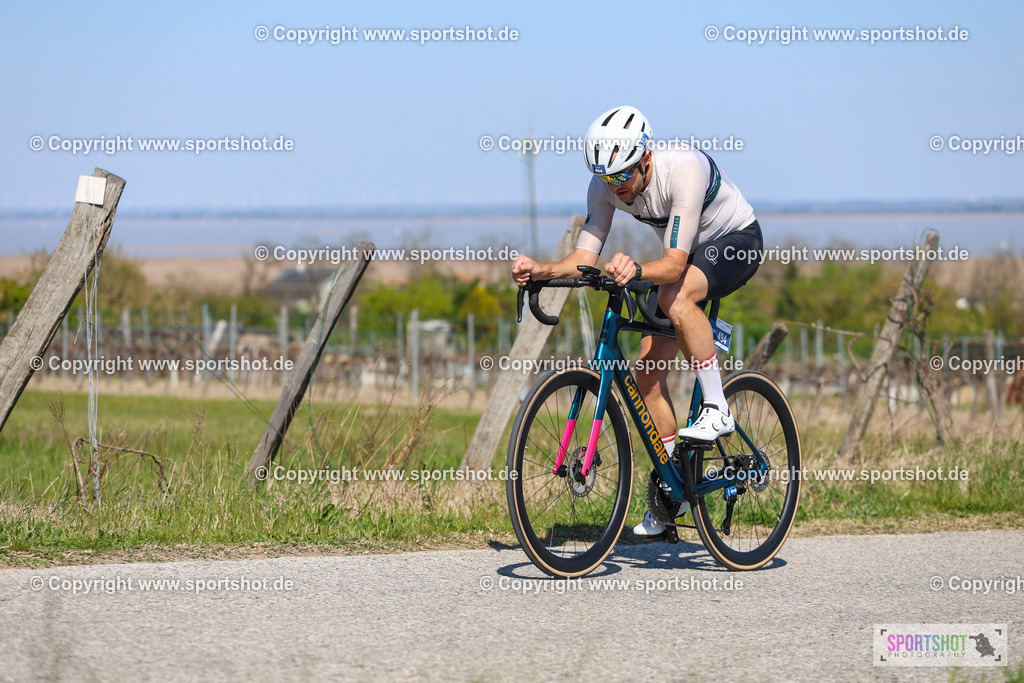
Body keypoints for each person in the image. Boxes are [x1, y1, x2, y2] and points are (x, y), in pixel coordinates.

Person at [510, 105, 763, 536]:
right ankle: (673, 491)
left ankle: (718, 408)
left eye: (623, 176)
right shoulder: (606, 184)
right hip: (682, 258)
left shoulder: (684, 168)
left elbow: (674, 263)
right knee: (646, 376)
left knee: (674, 294)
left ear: (645, 158)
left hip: (735, 243)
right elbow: (585, 256)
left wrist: (635, 270)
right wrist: (544, 270)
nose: (616, 188)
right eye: (607, 179)